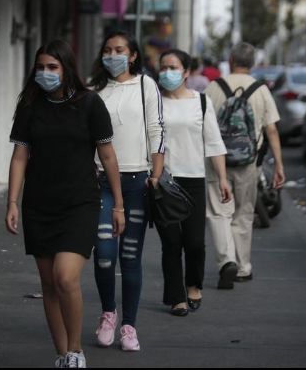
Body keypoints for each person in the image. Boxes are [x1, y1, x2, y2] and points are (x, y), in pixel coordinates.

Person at [6, 40, 124, 369]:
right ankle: (62, 355)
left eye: (52, 67)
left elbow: (108, 154)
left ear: (67, 69)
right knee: (48, 284)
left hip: (80, 204)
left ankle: (75, 350)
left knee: (65, 278)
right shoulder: (30, 105)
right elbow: (19, 157)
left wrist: (118, 203)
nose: (45, 73)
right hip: (39, 204)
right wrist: (12, 202)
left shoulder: (89, 104)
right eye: (41, 67)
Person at [87, 30, 164, 353]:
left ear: (133, 55)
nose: (112, 55)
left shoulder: (146, 86)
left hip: (137, 183)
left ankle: (129, 326)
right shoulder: (93, 90)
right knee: (104, 256)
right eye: (107, 49)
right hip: (100, 182)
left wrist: (156, 175)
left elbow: (156, 130)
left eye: (120, 49)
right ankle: (108, 313)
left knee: (130, 257)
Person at [203, 42, 286, 289]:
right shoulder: (261, 90)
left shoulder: (214, 88)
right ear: (253, 63)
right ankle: (242, 267)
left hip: (216, 161)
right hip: (249, 164)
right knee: (243, 213)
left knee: (219, 212)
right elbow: (271, 129)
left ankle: (225, 261)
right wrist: (279, 164)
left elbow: (201, 124)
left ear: (230, 59)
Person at [156, 49, 232, 316]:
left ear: (186, 72)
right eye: (163, 67)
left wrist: (222, 179)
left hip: (194, 179)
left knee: (195, 242)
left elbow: (213, 142)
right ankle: (176, 297)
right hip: (163, 181)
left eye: (173, 67)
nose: (167, 72)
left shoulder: (201, 102)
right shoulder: (153, 102)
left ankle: (193, 285)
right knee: (171, 244)